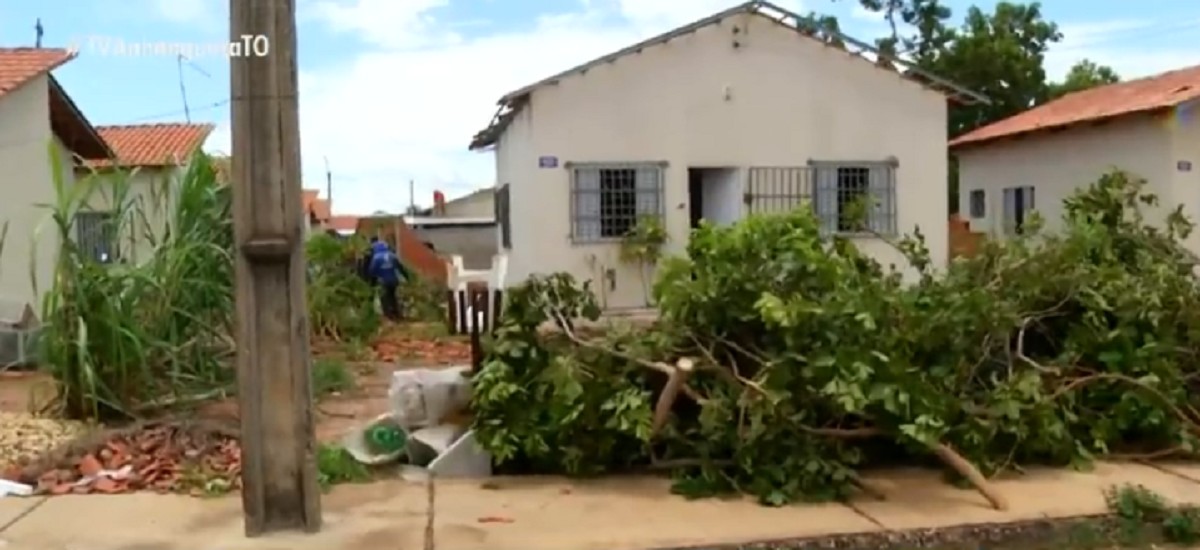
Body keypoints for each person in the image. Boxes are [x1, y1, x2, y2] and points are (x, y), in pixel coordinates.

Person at [368, 240, 408, 321]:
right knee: (393, 296)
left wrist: (372, 282)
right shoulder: (392, 255)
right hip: (394, 280)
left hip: (383, 281)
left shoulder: (376, 258)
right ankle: (397, 314)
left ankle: (389, 316)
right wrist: (406, 277)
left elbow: (372, 271)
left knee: (385, 298)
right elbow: (400, 268)